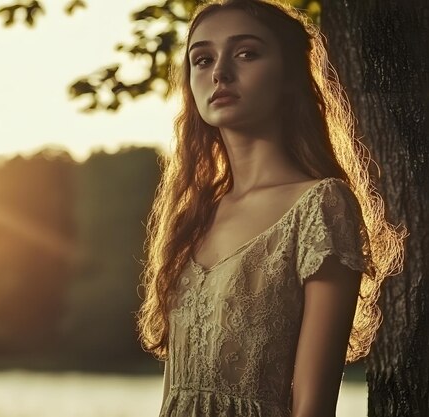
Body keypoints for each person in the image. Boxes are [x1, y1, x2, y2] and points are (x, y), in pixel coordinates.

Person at [137, 1, 405, 416]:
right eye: (202, 59)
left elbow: (314, 407)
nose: (220, 73)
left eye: (246, 53)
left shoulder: (320, 204)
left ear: (289, 77)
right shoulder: (195, 215)